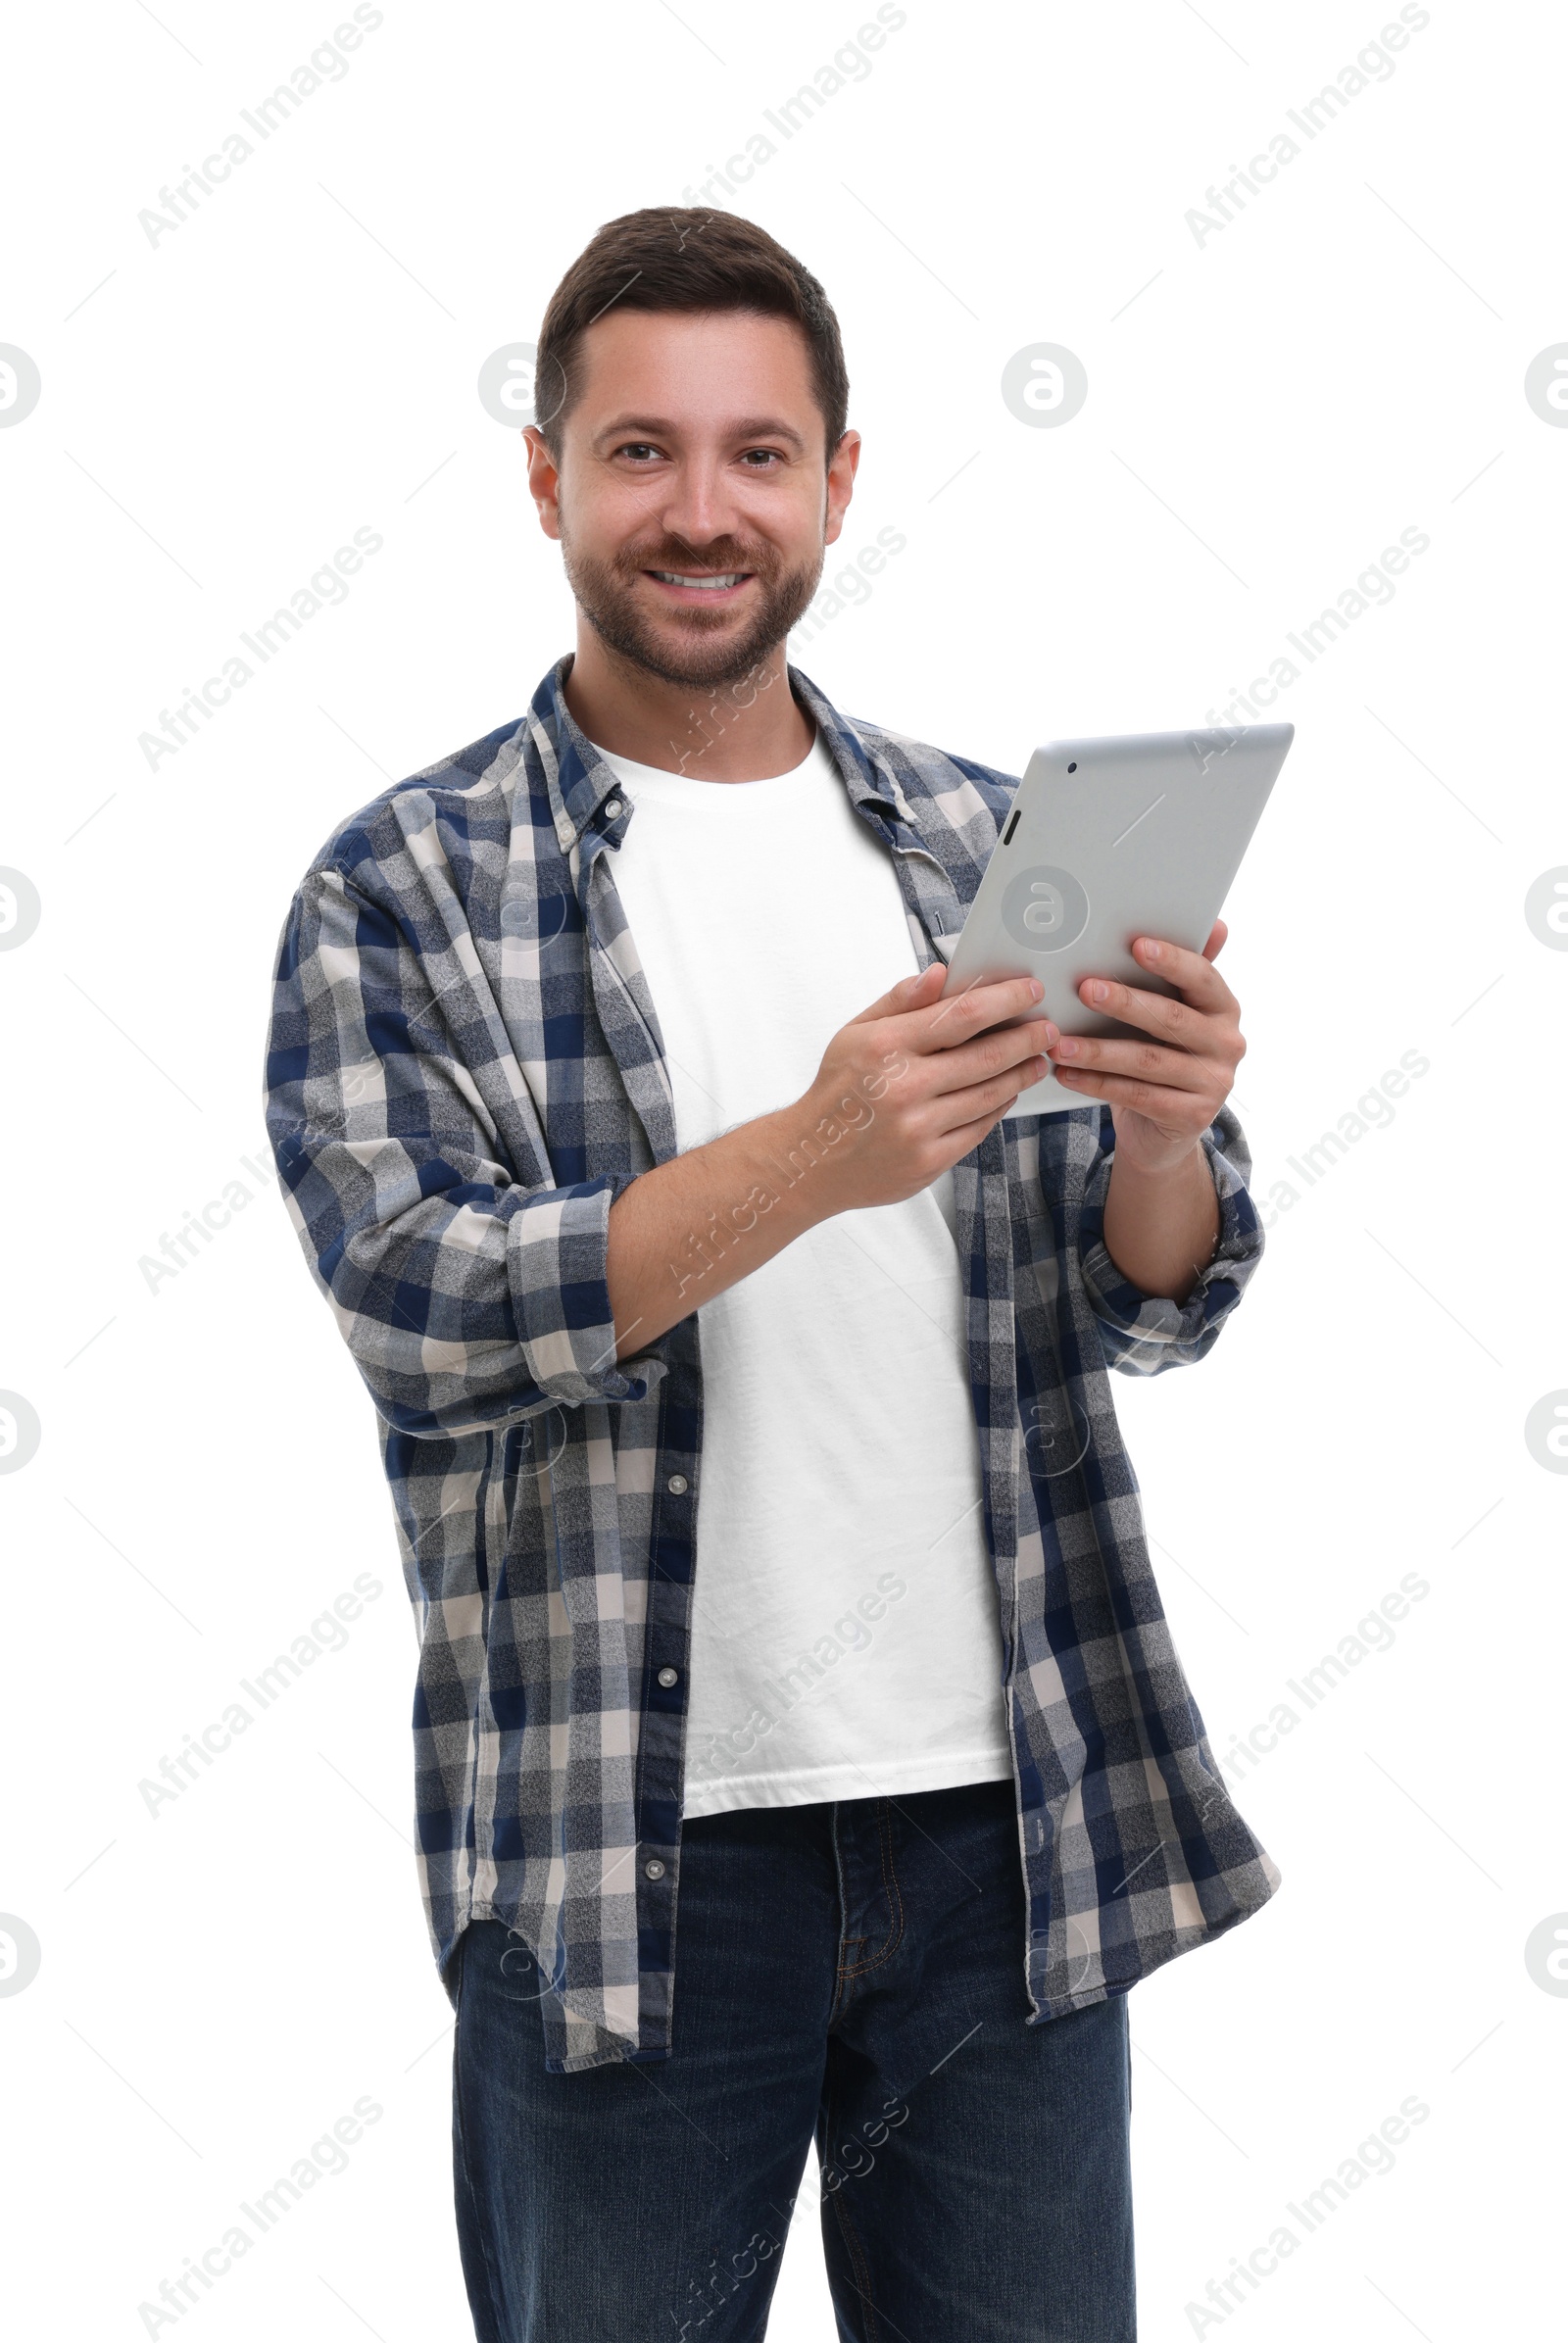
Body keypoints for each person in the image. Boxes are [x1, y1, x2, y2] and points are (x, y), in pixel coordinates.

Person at [265, 205, 1280, 2343]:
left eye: (754, 453)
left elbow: (1149, 1299)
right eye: (639, 453)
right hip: (628, 1862)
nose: (699, 512)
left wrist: (1168, 1131)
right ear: (545, 479)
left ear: (835, 477)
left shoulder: (981, 839)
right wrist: (813, 1154)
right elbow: (423, 1307)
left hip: (1004, 1830)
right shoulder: (403, 886)